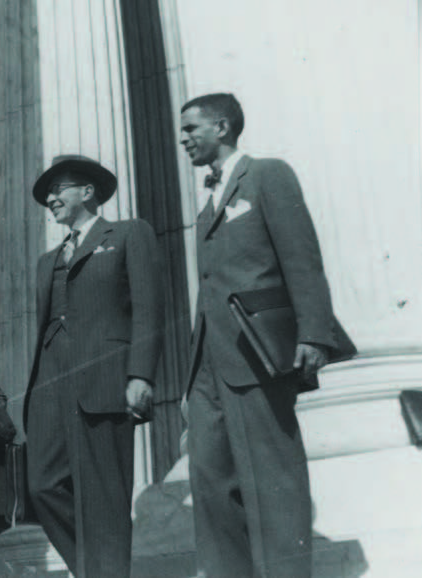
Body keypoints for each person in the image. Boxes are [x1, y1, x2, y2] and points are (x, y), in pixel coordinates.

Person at [179, 93, 349, 578]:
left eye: (192, 128)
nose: (183, 138)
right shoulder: (207, 201)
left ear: (222, 125)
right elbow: (209, 288)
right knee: (210, 481)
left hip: (258, 351)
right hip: (209, 362)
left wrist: (313, 333)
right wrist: (193, 373)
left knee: (272, 478)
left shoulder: (268, 174)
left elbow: (302, 256)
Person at [23, 155, 165, 577]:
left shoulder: (127, 234)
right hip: (50, 384)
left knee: (104, 495)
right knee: (42, 485)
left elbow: (148, 308)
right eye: (48, 193)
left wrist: (141, 373)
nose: (50, 199)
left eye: (58, 189)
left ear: (86, 192)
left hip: (105, 379)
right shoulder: (46, 261)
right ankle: (94, 570)